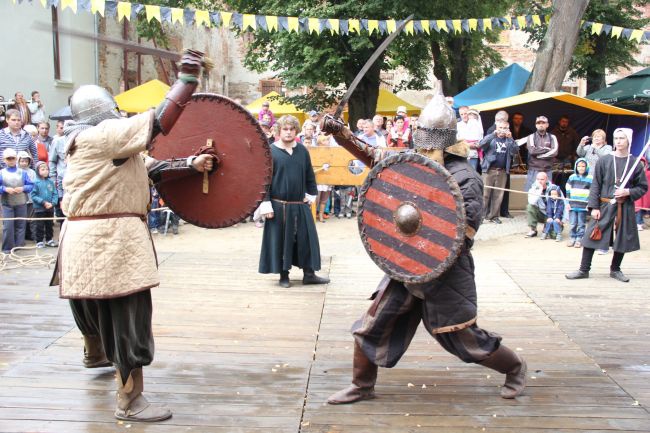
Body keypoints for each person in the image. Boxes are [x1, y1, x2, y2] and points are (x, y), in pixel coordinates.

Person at [327, 94, 527, 406]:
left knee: (464, 340)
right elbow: (375, 156)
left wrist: (426, 248)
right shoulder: (415, 163)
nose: (422, 148)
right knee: (371, 327)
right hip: (407, 267)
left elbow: (464, 234)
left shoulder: (465, 178)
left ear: (443, 142)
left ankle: (514, 367)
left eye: (428, 142)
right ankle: (361, 385)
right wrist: (342, 134)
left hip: (445, 273)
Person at [53, 50, 216, 422]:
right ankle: (130, 400)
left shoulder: (94, 145)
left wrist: (190, 164)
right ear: (106, 112)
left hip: (83, 244)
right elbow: (159, 121)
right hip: (111, 244)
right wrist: (186, 80)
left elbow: (150, 168)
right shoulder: (102, 136)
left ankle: (94, 353)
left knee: (94, 306)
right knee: (129, 320)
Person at [565, 128, 648, 283]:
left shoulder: (635, 163)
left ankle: (615, 269)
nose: (618, 141)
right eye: (616, 138)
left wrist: (628, 192)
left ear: (628, 140)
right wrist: (594, 207)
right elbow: (596, 184)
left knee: (621, 238)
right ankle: (584, 269)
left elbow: (642, 187)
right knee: (591, 235)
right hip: (604, 204)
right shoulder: (605, 160)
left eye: (622, 138)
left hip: (624, 207)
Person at [258, 115, 330, 288]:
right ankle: (284, 275)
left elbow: (309, 175)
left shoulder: (302, 151)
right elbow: (263, 180)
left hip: (300, 204)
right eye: (285, 129)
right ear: (279, 131)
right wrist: (265, 203)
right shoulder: (270, 151)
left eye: (291, 129)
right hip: (278, 205)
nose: (289, 132)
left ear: (296, 131)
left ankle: (309, 274)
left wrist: (311, 194)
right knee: (282, 241)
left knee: (306, 238)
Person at [479, 120, 518, 224]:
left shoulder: (509, 140)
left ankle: (493, 216)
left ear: (508, 129)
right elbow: (481, 144)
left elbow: (515, 151)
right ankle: (481, 216)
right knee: (485, 194)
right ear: (496, 127)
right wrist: (492, 134)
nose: (502, 130)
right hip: (489, 170)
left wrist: (511, 138)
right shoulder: (491, 137)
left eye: (505, 128)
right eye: (500, 127)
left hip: (502, 171)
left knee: (498, 195)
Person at [0, 148, 34, 253]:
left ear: (16, 159)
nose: (11, 160)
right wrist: (5, 189)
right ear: (4, 160)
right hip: (7, 203)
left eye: (13, 158)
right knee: (8, 226)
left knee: (21, 224)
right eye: (8, 158)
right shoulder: (1, 173)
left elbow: (31, 185)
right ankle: (7, 248)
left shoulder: (22, 172)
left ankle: (19, 245)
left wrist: (23, 188)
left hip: (21, 202)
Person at [523, 115, 558, 191]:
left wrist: (538, 155)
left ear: (547, 125)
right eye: (538, 123)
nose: (541, 124)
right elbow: (532, 151)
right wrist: (546, 149)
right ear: (536, 125)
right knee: (532, 194)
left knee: (547, 194)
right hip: (534, 170)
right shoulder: (531, 137)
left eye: (543, 123)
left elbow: (554, 152)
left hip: (547, 170)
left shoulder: (552, 137)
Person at [30, 161, 58, 248]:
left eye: (47, 169)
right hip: (39, 208)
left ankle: (49, 239)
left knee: (49, 224)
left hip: (50, 207)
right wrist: (43, 202)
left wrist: (53, 203)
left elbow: (55, 193)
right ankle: (39, 241)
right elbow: (33, 195)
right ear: (37, 171)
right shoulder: (35, 182)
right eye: (43, 169)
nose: (45, 171)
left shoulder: (50, 182)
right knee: (40, 225)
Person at [565, 158, 592, 247]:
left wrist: (589, 204)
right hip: (572, 204)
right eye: (579, 166)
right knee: (572, 223)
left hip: (583, 205)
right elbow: (568, 190)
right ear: (576, 167)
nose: (581, 168)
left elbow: (592, 192)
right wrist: (568, 202)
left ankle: (579, 239)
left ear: (586, 167)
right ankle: (572, 238)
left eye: (583, 166)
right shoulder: (572, 177)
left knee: (581, 223)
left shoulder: (590, 178)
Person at [49, 120, 67, 226]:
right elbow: (52, 161)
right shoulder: (58, 141)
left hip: (78, 182)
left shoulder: (81, 139)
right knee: (62, 215)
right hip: (62, 182)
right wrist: (53, 180)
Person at [525, 172, 554, 238]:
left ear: (546, 179)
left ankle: (548, 227)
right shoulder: (533, 188)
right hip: (541, 213)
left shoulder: (554, 188)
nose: (539, 181)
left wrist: (562, 220)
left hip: (551, 214)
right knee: (530, 207)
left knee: (553, 235)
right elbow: (531, 202)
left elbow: (563, 203)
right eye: (538, 179)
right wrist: (539, 190)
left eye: (542, 179)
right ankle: (533, 230)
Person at [457, 106, 484, 171]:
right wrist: (468, 145)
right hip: (462, 155)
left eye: (465, 113)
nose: (464, 116)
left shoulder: (476, 124)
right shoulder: (458, 125)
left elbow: (481, 138)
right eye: (462, 114)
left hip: (473, 155)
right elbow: (456, 141)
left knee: (472, 175)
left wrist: (477, 144)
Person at [635, 157, 650, 231]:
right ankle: (638, 223)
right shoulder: (634, 173)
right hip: (637, 195)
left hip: (646, 195)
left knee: (643, 209)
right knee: (638, 209)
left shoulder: (648, 173)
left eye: (642, 163)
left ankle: (639, 222)